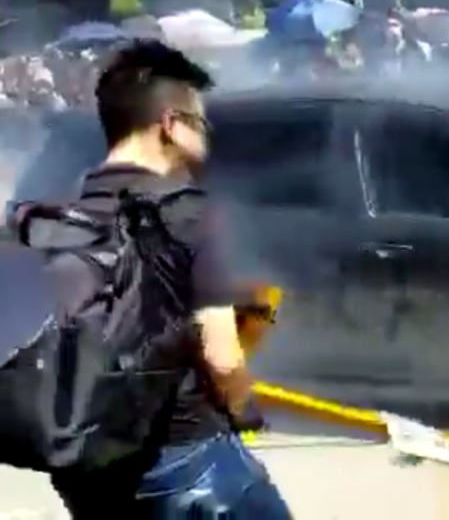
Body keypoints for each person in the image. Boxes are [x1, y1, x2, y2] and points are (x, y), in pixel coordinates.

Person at [46, 40, 292, 518]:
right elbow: (221, 357)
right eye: (200, 122)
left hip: (86, 468)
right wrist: (245, 409)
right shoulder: (187, 213)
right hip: (181, 461)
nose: (206, 136)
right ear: (170, 125)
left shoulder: (63, 211)